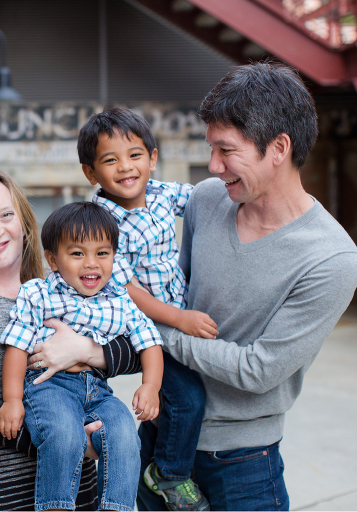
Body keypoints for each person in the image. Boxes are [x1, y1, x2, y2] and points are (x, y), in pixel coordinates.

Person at [131, 62, 357, 511]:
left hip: (241, 463)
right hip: (160, 439)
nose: (213, 165)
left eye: (226, 150)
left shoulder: (331, 258)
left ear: (279, 148)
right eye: (210, 148)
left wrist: (154, 330)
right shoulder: (206, 200)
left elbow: (258, 370)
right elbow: (173, 299)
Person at [0, 166, 143, 511]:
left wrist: (87, 350)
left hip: (78, 489)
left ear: (24, 221)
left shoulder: (58, 286)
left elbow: (134, 345)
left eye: (5, 215)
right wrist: (69, 439)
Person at [77, 107, 216, 511]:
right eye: (110, 160)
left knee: (171, 403)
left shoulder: (162, 193)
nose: (126, 167)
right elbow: (127, 289)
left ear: (152, 158)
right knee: (187, 400)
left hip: (174, 314)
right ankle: (169, 474)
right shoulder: (101, 221)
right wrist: (180, 319)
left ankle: (141, 468)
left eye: (135, 155)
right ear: (91, 173)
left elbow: (203, 198)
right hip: (144, 327)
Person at [0, 202, 164, 512]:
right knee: (64, 434)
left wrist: (151, 386)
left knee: (125, 433)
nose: (92, 264)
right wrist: (12, 399)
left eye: (102, 253)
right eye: (77, 254)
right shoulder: (40, 294)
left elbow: (149, 341)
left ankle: (117, 507)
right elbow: (17, 345)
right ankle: (55, 505)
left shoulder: (120, 299)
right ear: (53, 259)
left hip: (98, 392)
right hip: (50, 386)